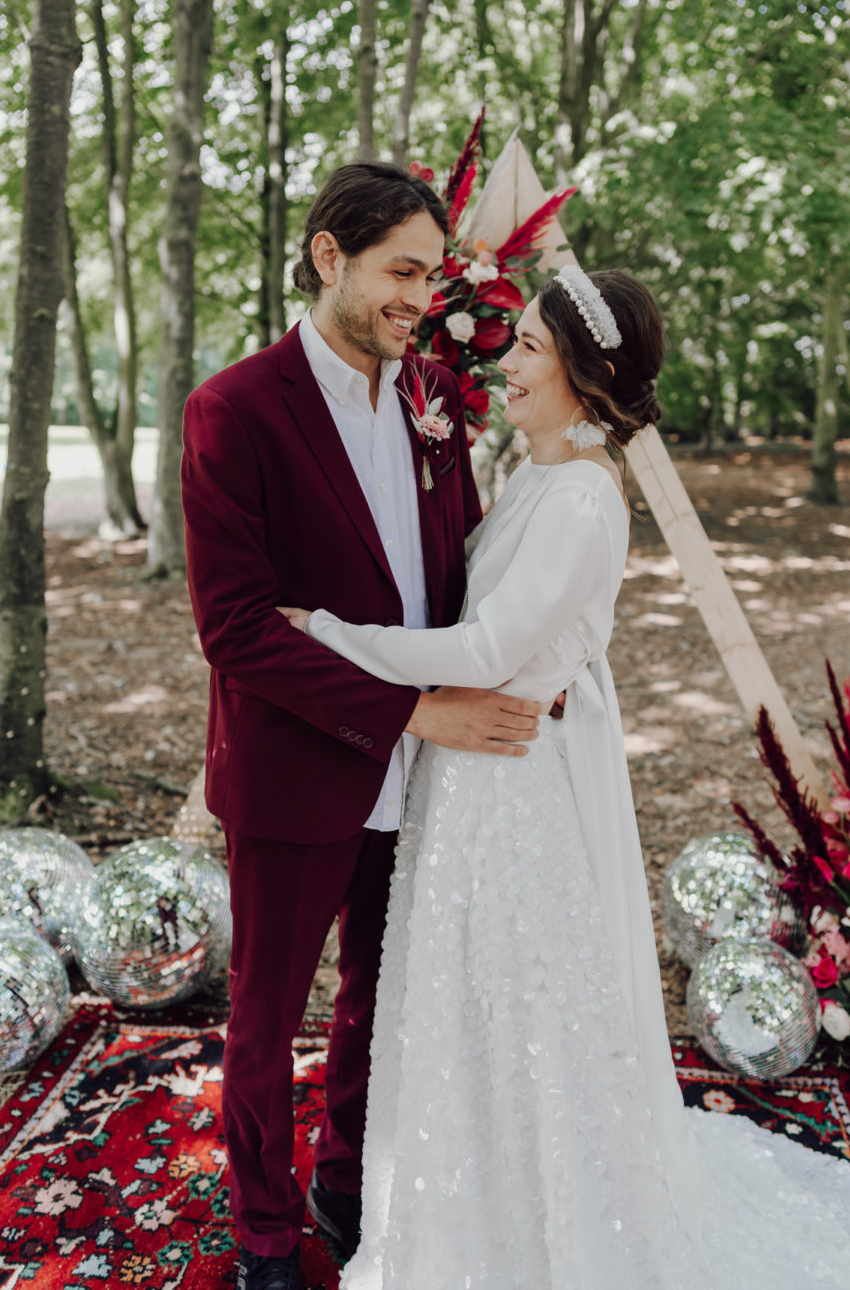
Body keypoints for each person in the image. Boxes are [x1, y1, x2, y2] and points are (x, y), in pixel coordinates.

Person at [281, 267, 850, 1289]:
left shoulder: (583, 504)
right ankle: (471, 1192)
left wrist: (328, 638)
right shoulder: (536, 476)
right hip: (473, 778)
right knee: (470, 1006)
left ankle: (542, 1223)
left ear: (584, 372)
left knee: (523, 1010)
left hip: (515, 789)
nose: (504, 364)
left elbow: (483, 648)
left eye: (525, 350)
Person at [180, 162, 543, 1290]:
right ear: (328, 257)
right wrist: (414, 708)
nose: (419, 298)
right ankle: (262, 1232)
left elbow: (461, 575)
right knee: (266, 1016)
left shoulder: (433, 396)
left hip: (421, 777)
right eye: (400, 271)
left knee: (379, 1004)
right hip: (297, 771)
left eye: (432, 276)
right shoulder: (232, 409)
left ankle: (344, 1180)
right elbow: (235, 629)